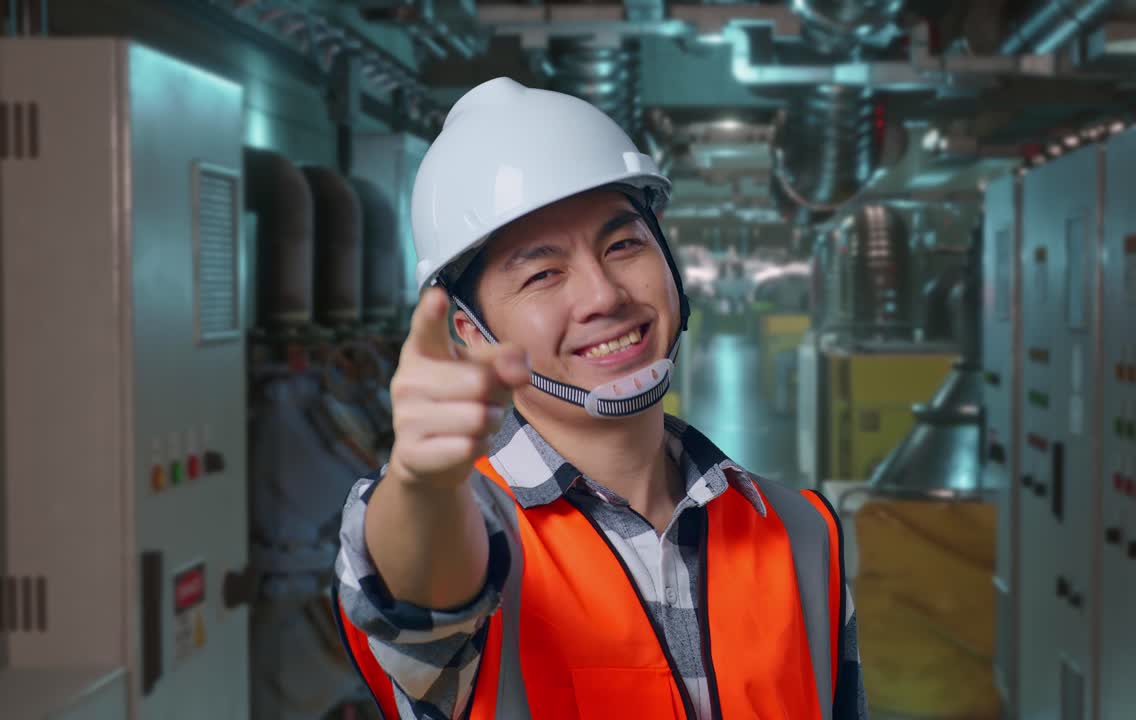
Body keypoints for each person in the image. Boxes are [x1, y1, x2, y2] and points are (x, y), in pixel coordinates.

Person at [331, 77, 869, 720]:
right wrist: (422, 483)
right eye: (543, 273)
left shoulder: (801, 531)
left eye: (623, 245)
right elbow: (418, 590)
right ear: (473, 333)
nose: (605, 295)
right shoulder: (470, 526)